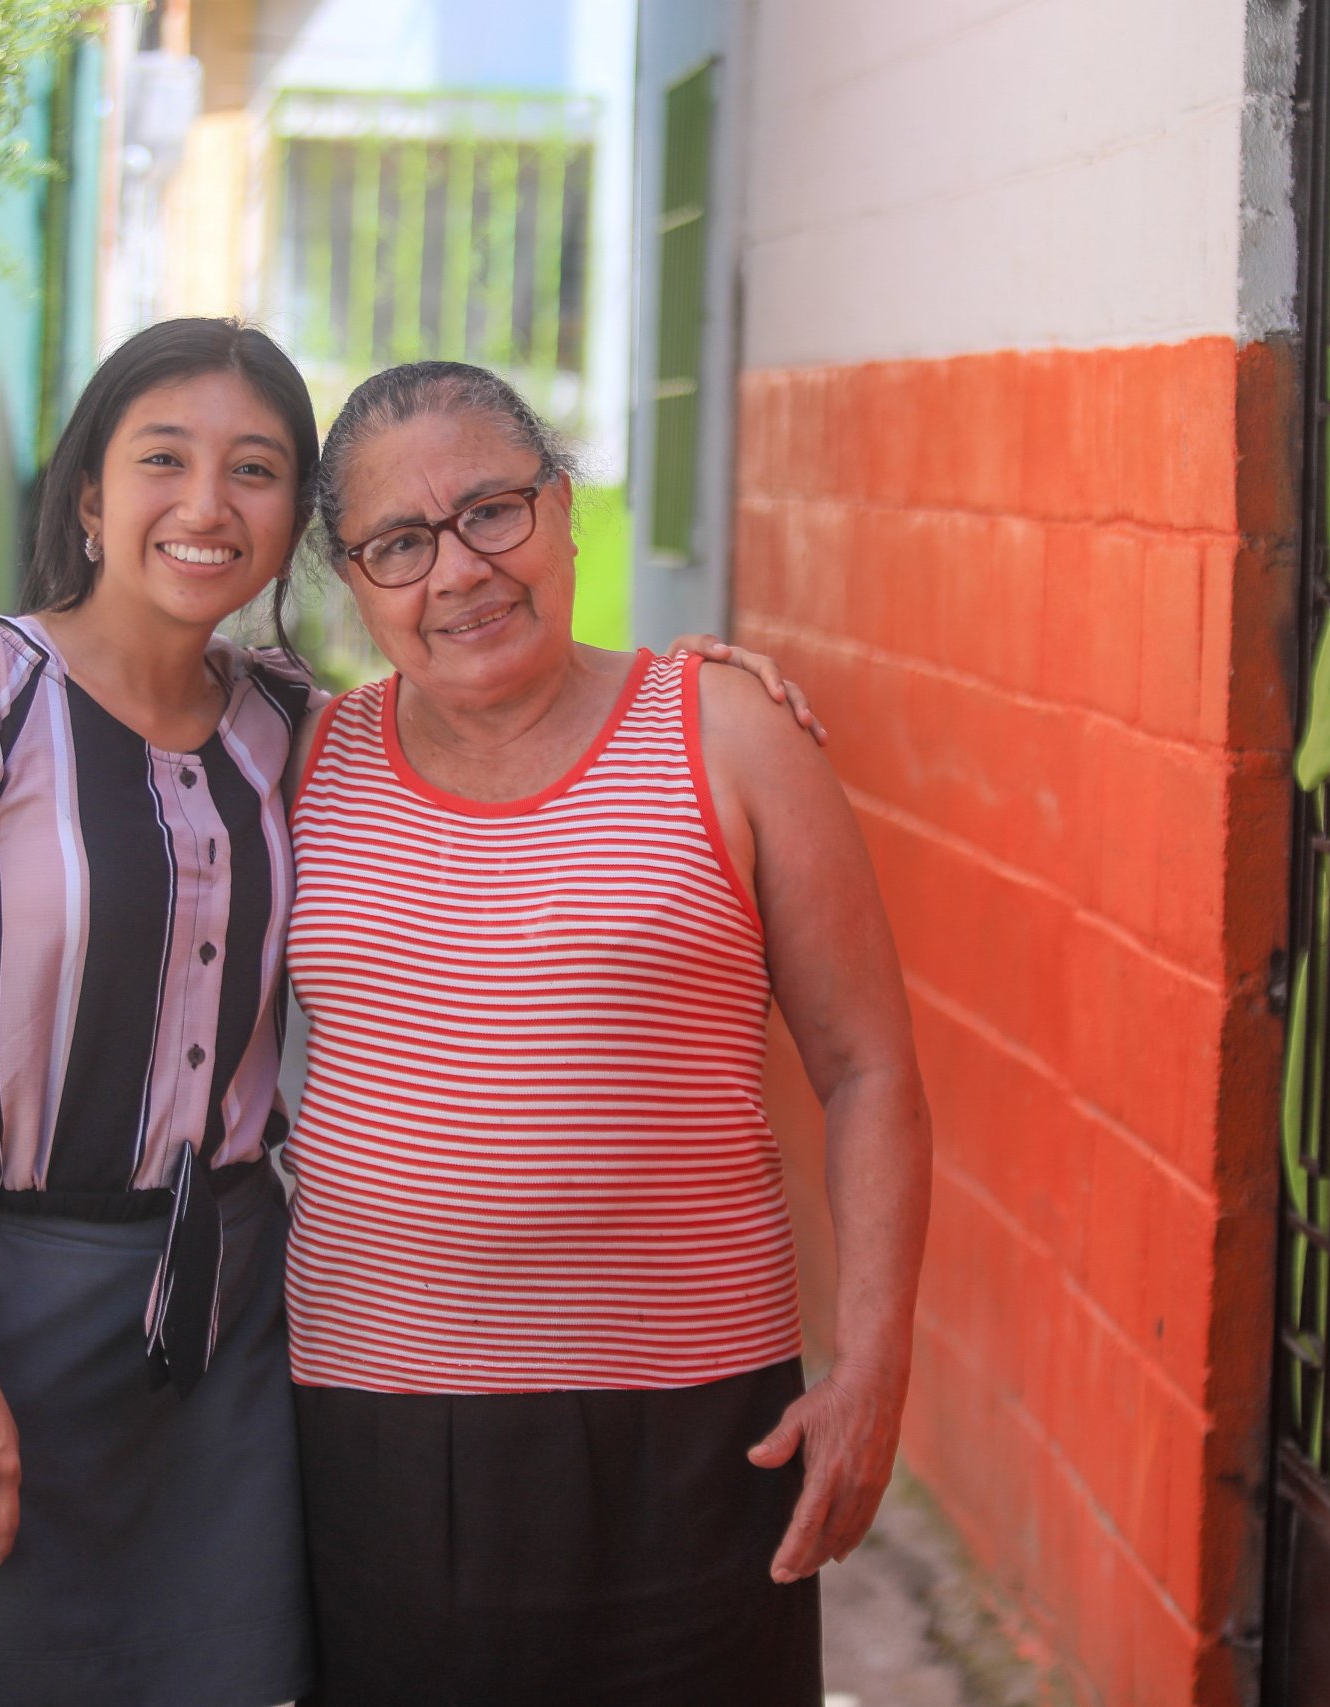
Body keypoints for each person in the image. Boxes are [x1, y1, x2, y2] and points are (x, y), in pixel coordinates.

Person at [0, 320, 813, 1706]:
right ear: (92, 498)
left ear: (297, 532)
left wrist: (686, 689)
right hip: (7, 1300)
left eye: (257, 469)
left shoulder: (287, 724)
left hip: (227, 1316)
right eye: (163, 459)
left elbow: (490, 710)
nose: (208, 503)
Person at [284, 361, 933, 1706]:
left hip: (697, 1437)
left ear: (567, 512)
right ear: (353, 580)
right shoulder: (296, 761)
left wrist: (873, 1370)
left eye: (494, 512)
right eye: (399, 544)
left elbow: (867, 1067)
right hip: (376, 1426)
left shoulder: (729, 734)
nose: (459, 571)